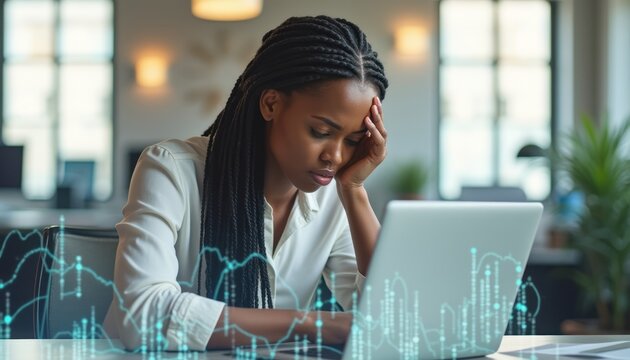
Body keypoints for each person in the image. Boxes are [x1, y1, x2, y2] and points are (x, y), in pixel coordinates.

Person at [104, 15, 388, 351]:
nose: (336, 156)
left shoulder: (334, 197)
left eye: (353, 140)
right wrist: (311, 324)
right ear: (271, 104)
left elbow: (386, 317)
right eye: (321, 132)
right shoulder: (171, 170)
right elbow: (142, 317)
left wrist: (354, 192)